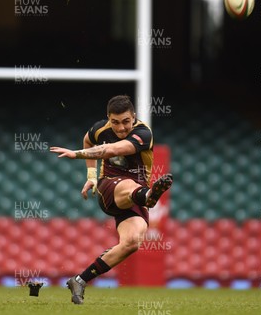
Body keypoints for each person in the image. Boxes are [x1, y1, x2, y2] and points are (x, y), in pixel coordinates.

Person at [50, 94, 172, 305]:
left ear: (133, 117)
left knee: (132, 242)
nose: (121, 128)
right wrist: (91, 176)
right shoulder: (100, 129)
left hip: (134, 194)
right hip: (110, 186)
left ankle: (79, 280)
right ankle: (149, 196)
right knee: (131, 187)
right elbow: (88, 139)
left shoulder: (143, 132)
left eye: (126, 121)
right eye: (115, 122)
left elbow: (115, 148)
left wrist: (77, 154)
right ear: (108, 118)